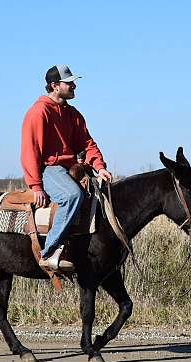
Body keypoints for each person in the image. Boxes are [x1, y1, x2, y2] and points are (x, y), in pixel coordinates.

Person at [21, 64, 112, 272]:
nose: (74, 87)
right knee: (72, 196)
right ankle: (49, 251)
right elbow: (30, 150)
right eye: (69, 83)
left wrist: (99, 167)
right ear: (54, 86)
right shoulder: (39, 112)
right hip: (49, 169)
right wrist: (36, 186)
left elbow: (87, 144)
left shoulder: (73, 114)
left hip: (71, 168)